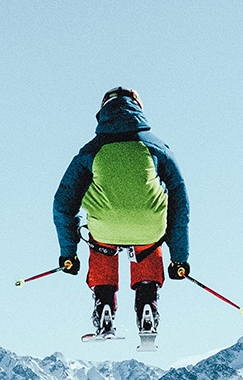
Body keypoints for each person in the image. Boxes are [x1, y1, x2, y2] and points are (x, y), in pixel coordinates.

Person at [53, 87, 190, 338]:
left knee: (101, 234)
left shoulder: (90, 151)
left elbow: (63, 205)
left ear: (102, 112)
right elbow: (180, 201)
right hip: (149, 227)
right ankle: (147, 304)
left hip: (105, 227)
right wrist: (179, 258)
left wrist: (68, 254)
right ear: (139, 110)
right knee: (147, 235)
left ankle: (104, 305)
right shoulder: (157, 148)